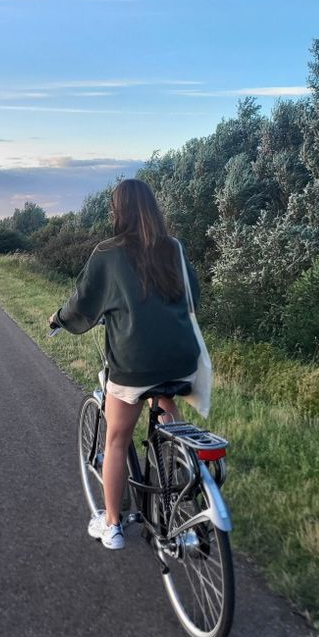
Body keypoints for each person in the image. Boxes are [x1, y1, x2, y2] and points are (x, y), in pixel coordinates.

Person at [49, 178, 201, 551]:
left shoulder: (108, 253)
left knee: (116, 439)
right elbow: (193, 296)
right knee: (166, 406)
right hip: (182, 358)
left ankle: (113, 524)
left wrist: (58, 319)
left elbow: (84, 303)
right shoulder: (175, 249)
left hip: (134, 364)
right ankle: (184, 508)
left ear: (118, 211)